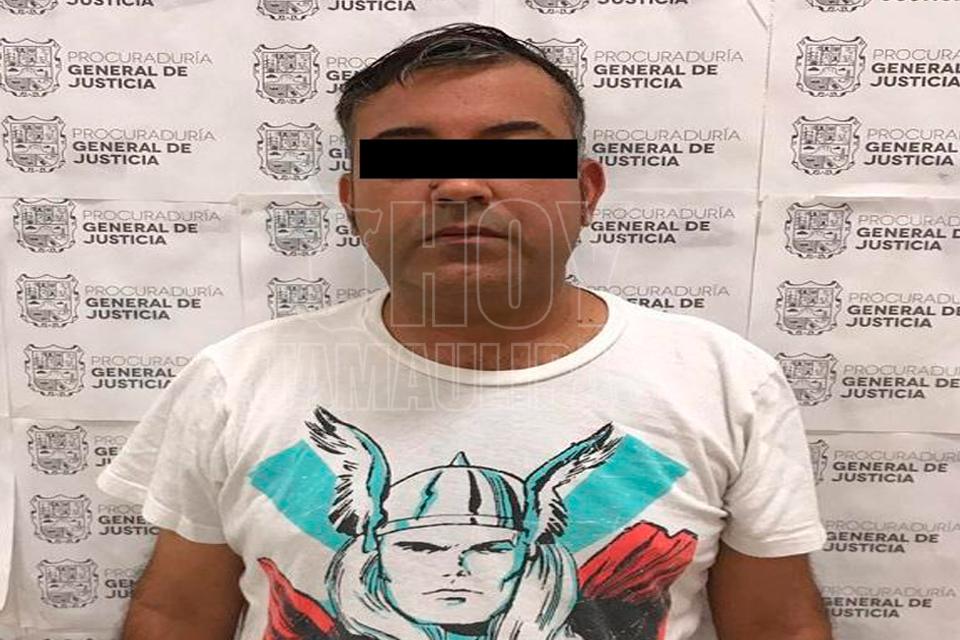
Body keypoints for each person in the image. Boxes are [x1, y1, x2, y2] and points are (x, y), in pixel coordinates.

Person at [96, 22, 832, 640]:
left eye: (511, 152)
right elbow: (177, 615)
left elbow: (776, 625)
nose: (460, 185)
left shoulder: (721, 382)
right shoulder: (237, 383)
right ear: (352, 202)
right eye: (410, 157)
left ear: (585, 192)